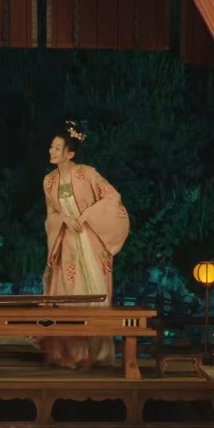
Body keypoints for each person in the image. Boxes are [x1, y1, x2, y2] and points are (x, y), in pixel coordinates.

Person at [41, 121, 130, 369]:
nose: (51, 151)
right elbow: (50, 215)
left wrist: (87, 215)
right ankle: (71, 355)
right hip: (67, 243)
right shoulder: (49, 181)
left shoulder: (87, 174)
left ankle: (95, 354)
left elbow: (112, 197)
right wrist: (63, 219)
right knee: (68, 296)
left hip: (90, 242)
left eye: (56, 148)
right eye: (51, 147)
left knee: (94, 297)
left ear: (70, 153)